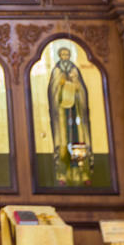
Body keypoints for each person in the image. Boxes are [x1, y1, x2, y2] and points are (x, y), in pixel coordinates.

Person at [47, 47, 92, 185]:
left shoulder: (74, 70)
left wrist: (75, 83)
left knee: (78, 140)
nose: (65, 57)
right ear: (59, 56)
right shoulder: (56, 70)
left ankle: (82, 174)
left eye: (67, 54)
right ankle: (63, 174)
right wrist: (60, 84)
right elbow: (53, 90)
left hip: (75, 111)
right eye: (63, 54)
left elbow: (82, 90)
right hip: (62, 112)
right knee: (62, 142)